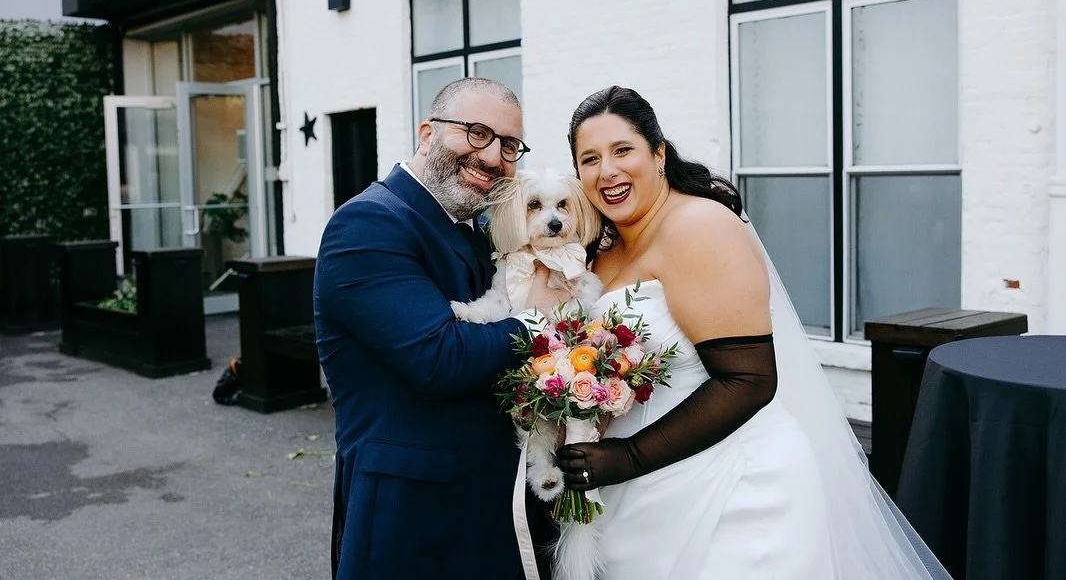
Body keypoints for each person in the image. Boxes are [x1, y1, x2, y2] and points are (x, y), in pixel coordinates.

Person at [555, 86, 951, 579]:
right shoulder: (603, 247)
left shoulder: (700, 226)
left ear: (658, 154)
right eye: (589, 159)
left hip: (735, 494)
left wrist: (626, 457)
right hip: (635, 489)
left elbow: (750, 379)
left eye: (622, 150)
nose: (606, 171)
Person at [314, 77, 568, 579]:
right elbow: (438, 357)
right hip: (410, 517)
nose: (493, 156)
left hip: (487, 505)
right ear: (428, 133)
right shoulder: (369, 224)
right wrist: (539, 319)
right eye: (476, 133)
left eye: (509, 145)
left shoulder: (473, 226)